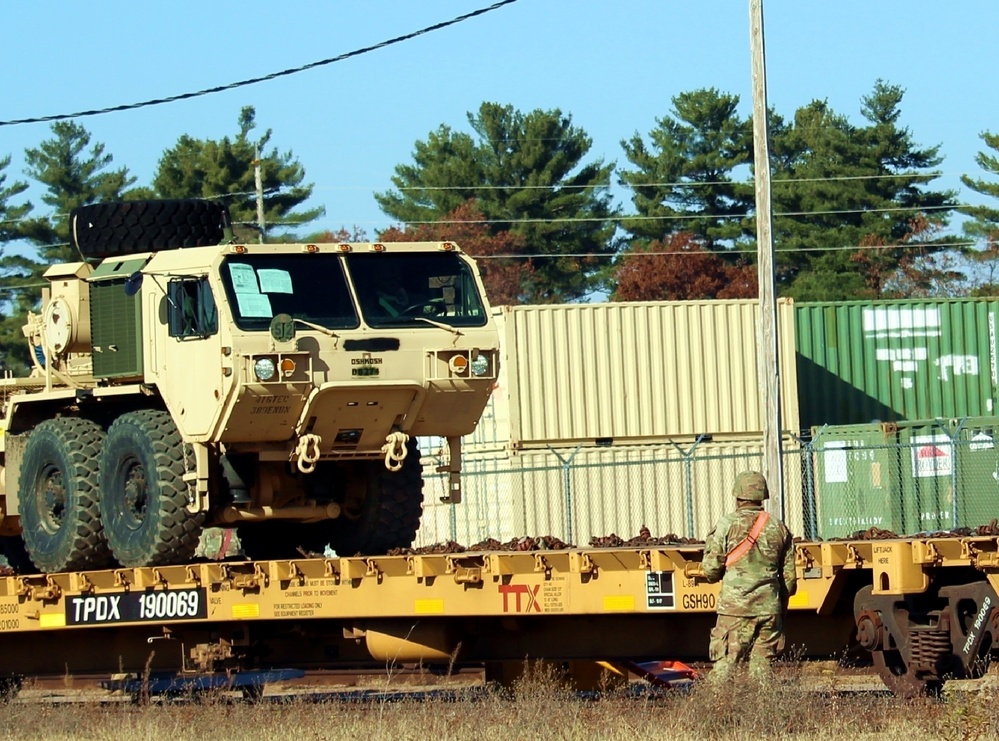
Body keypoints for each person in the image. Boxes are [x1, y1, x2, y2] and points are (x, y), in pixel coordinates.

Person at [700, 470, 796, 682]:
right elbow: (790, 580)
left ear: (737, 496)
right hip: (769, 609)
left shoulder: (726, 525)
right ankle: (763, 713)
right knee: (762, 671)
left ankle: (717, 712)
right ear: (762, 496)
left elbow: (711, 571)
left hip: (735, 610)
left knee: (725, 667)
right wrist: (778, 608)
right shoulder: (778, 527)